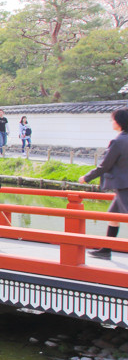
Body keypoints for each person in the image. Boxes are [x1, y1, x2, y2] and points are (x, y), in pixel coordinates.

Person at [78, 109, 128, 259]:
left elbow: (104, 166)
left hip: (123, 185)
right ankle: (106, 249)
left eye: (113, 120)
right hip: (123, 185)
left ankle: (106, 249)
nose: (112, 122)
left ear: (119, 122)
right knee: (113, 216)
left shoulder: (118, 141)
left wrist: (86, 177)